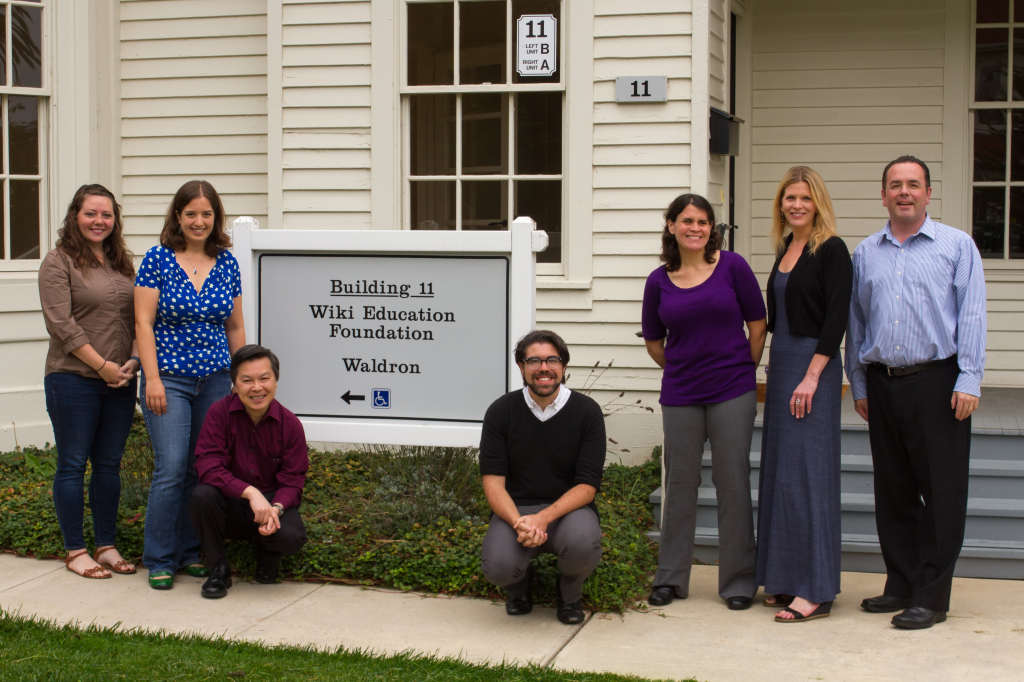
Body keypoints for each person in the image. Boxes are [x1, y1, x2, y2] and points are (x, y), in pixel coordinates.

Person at [846, 156, 986, 630]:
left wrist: (969, 377)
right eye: (894, 185)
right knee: (894, 491)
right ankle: (901, 583)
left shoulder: (956, 246)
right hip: (883, 383)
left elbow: (971, 315)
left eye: (913, 184)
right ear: (882, 194)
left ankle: (932, 595)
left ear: (928, 193)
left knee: (941, 492)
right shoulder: (865, 252)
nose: (904, 192)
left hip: (938, 383)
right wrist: (860, 382)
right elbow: (856, 323)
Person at [641, 194, 767, 610]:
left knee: (732, 483)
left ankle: (737, 582)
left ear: (712, 229)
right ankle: (671, 579)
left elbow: (758, 324)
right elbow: (655, 342)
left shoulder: (733, 267)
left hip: (732, 389)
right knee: (679, 485)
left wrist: (741, 369)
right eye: (687, 221)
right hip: (681, 393)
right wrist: (681, 366)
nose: (696, 228)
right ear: (672, 226)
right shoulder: (658, 280)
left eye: (704, 222)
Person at [135, 180, 246, 590]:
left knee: (200, 471)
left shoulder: (227, 263)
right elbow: (143, 323)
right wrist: (153, 380)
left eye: (207, 214)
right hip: (170, 381)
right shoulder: (158, 259)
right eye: (191, 214)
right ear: (177, 217)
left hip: (216, 380)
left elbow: (234, 325)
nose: (199, 221)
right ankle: (160, 557)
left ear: (215, 218)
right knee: (170, 468)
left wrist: (239, 378)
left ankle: (189, 552)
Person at [758, 166, 852, 623]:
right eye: (789, 197)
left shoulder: (832, 250)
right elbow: (780, 318)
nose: (796, 204)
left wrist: (812, 375)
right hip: (784, 365)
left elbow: (836, 319)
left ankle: (814, 586)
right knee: (781, 471)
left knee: (809, 473)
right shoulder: (785, 249)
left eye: (805, 198)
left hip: (815, 366)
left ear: (818, 203)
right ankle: (781, 577)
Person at [38, 184, 141, 579]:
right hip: (73, 379)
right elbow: (61, 325)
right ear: (74, 216)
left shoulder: (122, 264)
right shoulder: (58, 261)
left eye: (106, 215)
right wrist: (102, 366)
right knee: (72, 465)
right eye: (90, 213)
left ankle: (107, 545)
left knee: (109, 466)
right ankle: (76, 550)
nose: (99, 221)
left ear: (115, 220)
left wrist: (132, 360)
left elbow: (138, 317)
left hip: (120, 379)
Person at [479, 330, 606, 624]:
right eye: (533, 360)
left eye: (552, 360)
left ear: (563, 366)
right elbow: (493, 483)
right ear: (521, 367)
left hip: (570, 511)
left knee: (583, 545)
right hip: (517, 511)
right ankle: (519, 587)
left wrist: (543, 518)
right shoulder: (501, 411)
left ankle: (570, 594)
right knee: (497, 566)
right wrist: (519, 522)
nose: (544, 368)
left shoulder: (586, 412)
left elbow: (587, 487)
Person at [188, 345, 309, 599]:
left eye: (264, 378)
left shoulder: (291, 425)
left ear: (276, 381)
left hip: (268, 506)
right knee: (202, 495)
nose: (257, 387)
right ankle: (219, 566)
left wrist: (276, 509)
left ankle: (267, 550)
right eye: (247, 380)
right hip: (229, 503)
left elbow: (293, 480)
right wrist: (249, 492)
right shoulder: (219, 413)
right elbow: (208, 466)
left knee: (292, 536)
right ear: (235, 384)